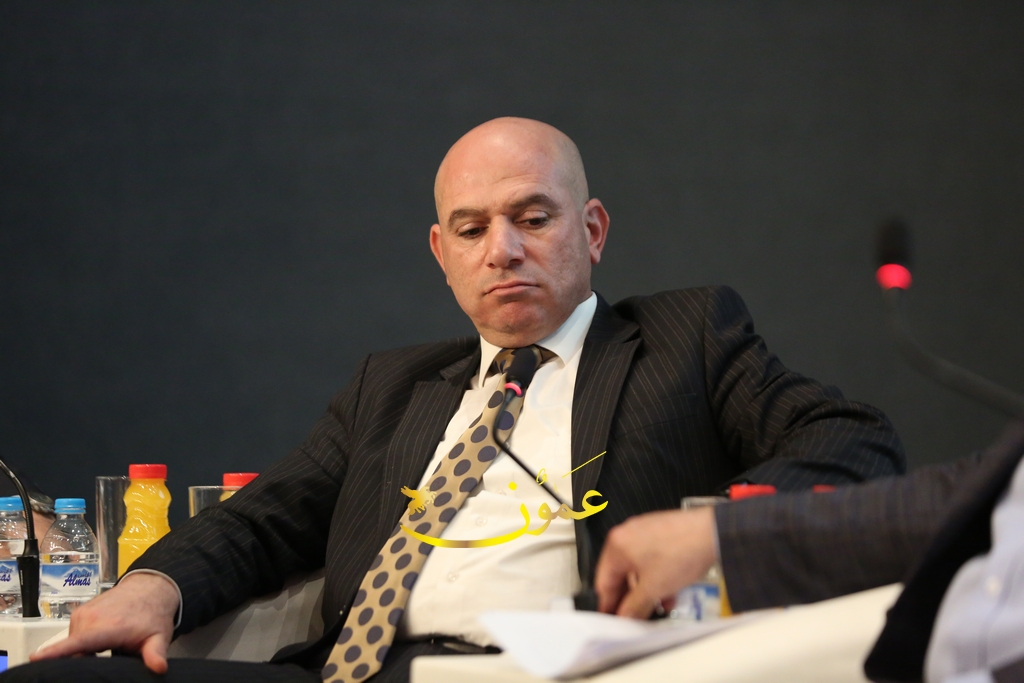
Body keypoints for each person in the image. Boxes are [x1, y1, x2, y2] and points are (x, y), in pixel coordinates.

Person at [11, 118, 904, 683]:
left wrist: (713, 531)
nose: (501, 250)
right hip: (359, 673)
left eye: (533, 218)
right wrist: (153, 585)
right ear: (442, 253)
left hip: (560, 669)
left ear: (592, 230)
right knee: (57, 674)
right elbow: (262, 519)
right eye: (472, 229)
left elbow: (853, 439)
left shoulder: (684, 339)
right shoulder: (392, 385)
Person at [594, 419, 1024, 683]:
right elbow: (968, 498)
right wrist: (717, 533)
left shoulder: (686, 329)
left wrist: (720, 529)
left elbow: (851, 439)